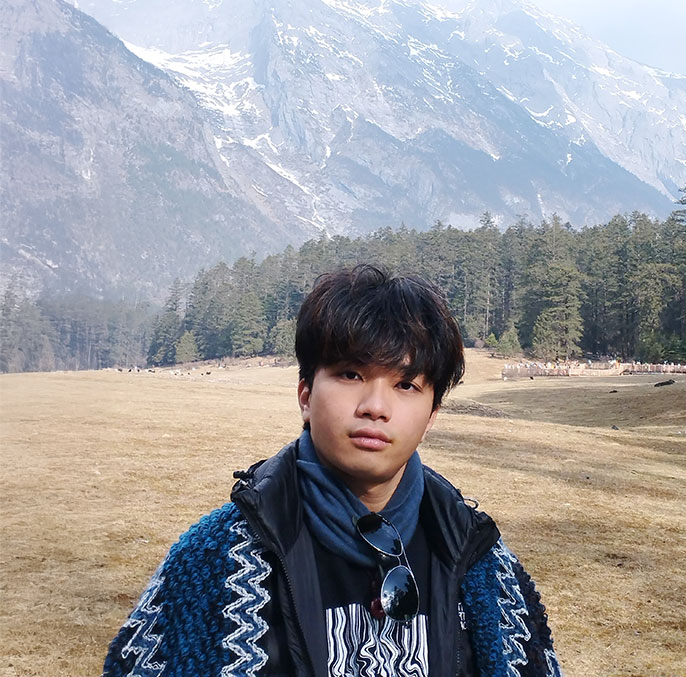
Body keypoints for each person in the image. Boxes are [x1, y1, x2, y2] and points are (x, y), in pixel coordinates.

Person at [103, 264, 561, 676]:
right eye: (350, 375)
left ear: (431, 416)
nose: (376, 407)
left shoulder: (480, 561)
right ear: (305, 395)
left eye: (405, 385)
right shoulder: (212, 562)